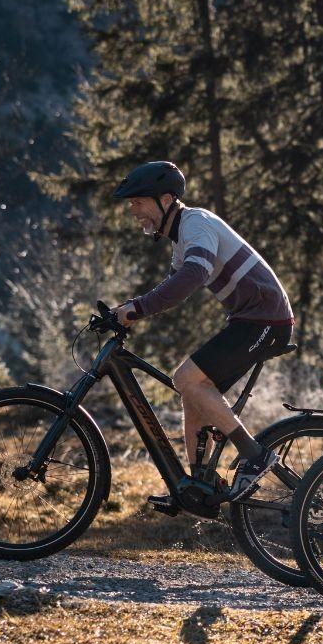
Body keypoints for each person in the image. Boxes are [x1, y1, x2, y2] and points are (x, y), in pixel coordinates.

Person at [109, 161, 294, 505]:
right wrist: (128, 311)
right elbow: (172, 286)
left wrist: (136, 308)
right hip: (250, 319)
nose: (134, 212)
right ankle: (196, 488)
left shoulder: (196, 224)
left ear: (166, 199)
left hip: (265, 319)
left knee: (187, 379)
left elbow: (193, 274)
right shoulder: (182, 237)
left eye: (138, 202)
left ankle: (254, 454)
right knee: (193, 391)